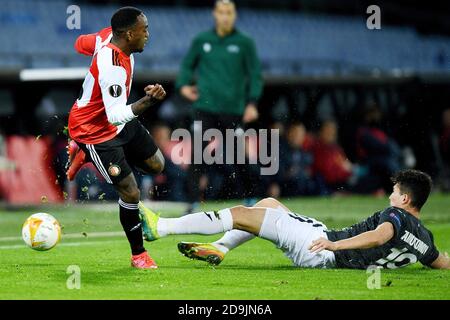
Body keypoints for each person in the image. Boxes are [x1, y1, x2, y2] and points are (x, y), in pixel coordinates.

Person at [138, 169, 450, 270]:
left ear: (406, 200)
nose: (390, 197)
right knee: (269, 203)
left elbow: (381, 236)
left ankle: (160, 226)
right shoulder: (425, 238)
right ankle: (220, 248)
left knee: (240, 214)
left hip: (321, 248)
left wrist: (335, 244)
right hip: (324, 242)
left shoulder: (394, 215)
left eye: (394, 193)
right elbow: (441, 262)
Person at [66, 7, 167, 269]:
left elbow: (79, 43)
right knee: (130, 192)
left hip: (118, 121)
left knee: (157, 164)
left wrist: (92, 48)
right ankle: (139, 255)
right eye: (145, 30)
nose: (149, 34)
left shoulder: (106, 37)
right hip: (95, 131)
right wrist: (149, 101)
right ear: (130, 34)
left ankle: (84, 153)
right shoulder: (112, 67)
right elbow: (114, 116)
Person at [175, 0, 264, 211]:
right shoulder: (202, 40)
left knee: (239, 156)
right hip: (204, 108)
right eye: (221, 12)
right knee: (198, 154)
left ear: (235, 16)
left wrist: (252, 103)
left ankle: (250, 198)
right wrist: (183, 86)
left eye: (229, 12)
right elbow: (187, 66)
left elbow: (255, 75)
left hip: (234, 109)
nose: (225, 16)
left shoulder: (245, 43)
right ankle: (193, 201)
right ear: (215, 14)